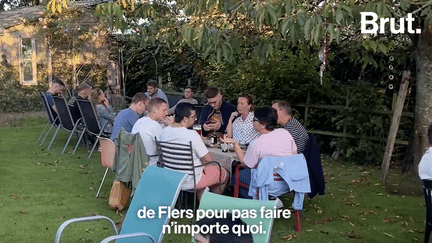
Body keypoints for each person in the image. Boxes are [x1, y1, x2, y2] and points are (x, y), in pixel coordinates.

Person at [221, 106, 297, 199]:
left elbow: (246, 164)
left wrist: (235, 143)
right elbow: (295, 154)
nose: (252, 122)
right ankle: (268, 200)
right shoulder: (285, 133)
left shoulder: (257, 143)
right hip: (287, 181)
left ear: (263, 124)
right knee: (246, 183)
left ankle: (256, 202)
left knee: (236, 177)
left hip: (268, 183)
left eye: (254, 120)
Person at [159, 103, 228, 199]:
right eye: (193, 117)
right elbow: (208, 159)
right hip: (191, 181)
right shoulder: (191, 134)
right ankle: (209, 206)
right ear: (185, 119)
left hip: (170, 177)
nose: (195, 119)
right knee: (224, 172)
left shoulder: (163, 132)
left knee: (205, 171)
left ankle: (204, 203)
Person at [132, 98, 173, 165]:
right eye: (164, 110)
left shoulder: (139, 121)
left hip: (137, 164)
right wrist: (171, 126)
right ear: (155, 110)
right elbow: (168, 147)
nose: (166, 113)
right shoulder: (155, 125)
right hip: (151, 165)